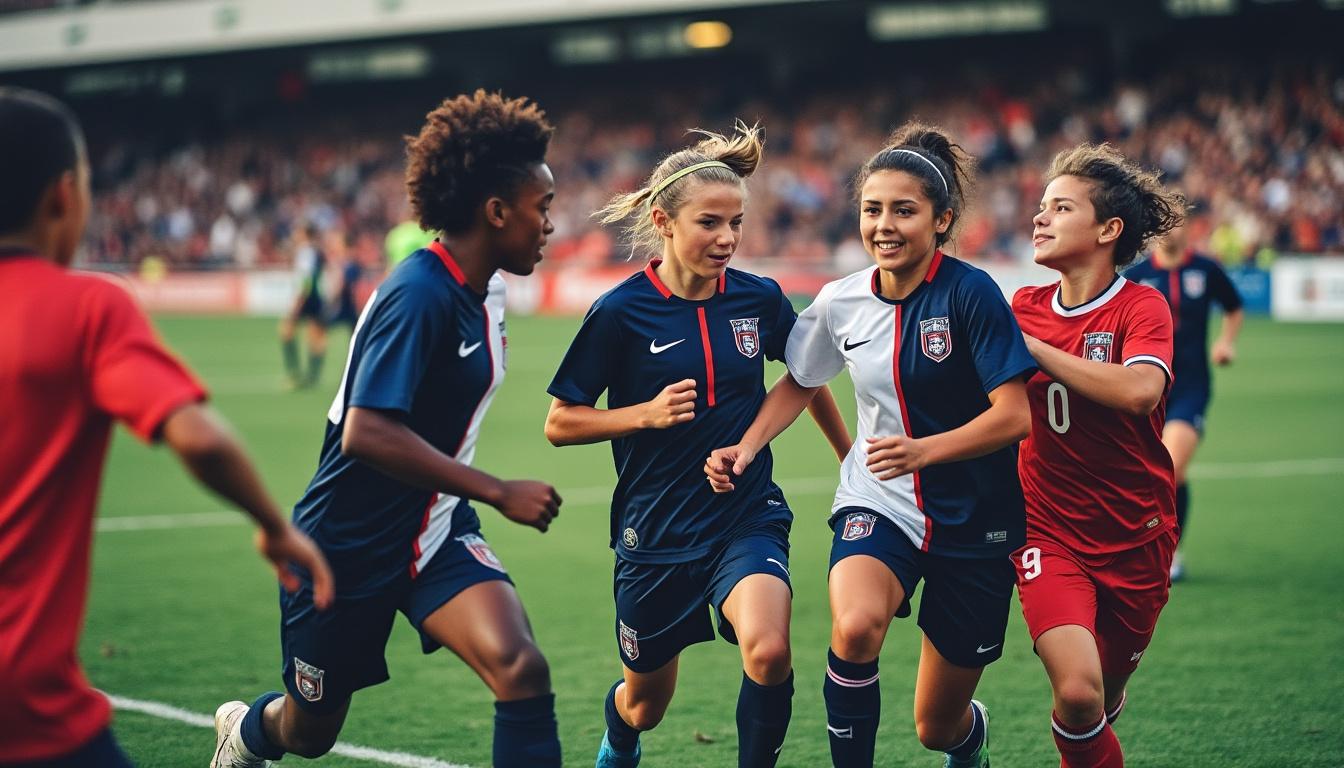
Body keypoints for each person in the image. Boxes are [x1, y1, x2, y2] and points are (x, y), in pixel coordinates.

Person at [210, 90, 564, 768]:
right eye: (541, 207)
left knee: (521, 669)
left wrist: (467, 502)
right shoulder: (418, 294)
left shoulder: (486, 288)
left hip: (433, 531)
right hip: (341, 549)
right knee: (311, 734)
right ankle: (249, 731)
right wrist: (496, 490)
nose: (550, 223)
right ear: (496, 211)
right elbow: (366, 433)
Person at [0, 87, 333, 767]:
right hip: (29, 712)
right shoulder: (87, 308)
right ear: (65, 197)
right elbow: (201, 438)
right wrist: (275, 524)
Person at [707, 123, 1035, 768]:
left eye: (904, 211)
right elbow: (800, 381)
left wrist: (924, 451)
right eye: (871, 209)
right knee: (855, 628)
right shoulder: (840, 300)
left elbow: (1015, 417)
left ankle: (968, 741)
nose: (884, 225)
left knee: (937, 727)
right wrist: (745, 446)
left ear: (941, 221)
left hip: (976, 520)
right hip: (878, 498)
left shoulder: (974, 295)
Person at [545, 122, 851, 768]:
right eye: (710, 223)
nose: (728, 239)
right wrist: (643, 415)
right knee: (645, 702)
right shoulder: (620, 313)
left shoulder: (759, 298)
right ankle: (621, 733)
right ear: (663, 221)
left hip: (744, 516)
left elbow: (807, 374)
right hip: (652, 534)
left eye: (736, 222)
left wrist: (845, 455)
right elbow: (561, 421)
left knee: (768, 650)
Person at [1012, 143, 1186, 767]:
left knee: (1100, 698)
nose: (1040, 217)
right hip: (1045, 529)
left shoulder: (1141, 307)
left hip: (1137, 535)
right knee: (1079, 693)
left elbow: (1141, 392)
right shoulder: (1023, 307)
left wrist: (1034, 351)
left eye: (1060, 207)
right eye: (1040, 206)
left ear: (1109, 230)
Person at [1123, 220, 1244, 581]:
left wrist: (1226, 342)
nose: (1170, 232)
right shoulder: (1138, 275)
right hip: (1147, 388)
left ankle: (1169, 552)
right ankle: (1140, 546)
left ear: (1188, 230)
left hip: (1190, 386)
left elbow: (1234, 307)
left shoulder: (1205, 269)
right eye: (1164, 225)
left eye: (1177, 225)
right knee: (1152, 473)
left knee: (1171, 468)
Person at [279, 222, 329, 389]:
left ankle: (295, 375)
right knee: (315, 337)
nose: (294, 235)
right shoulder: (315, 251)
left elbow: (306, 278)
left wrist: (298, 301)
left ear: (304, 234)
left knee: (286, 332)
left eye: (297, 231)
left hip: (307, 297)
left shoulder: (306, 252)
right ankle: (311, 377)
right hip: (315, 297)